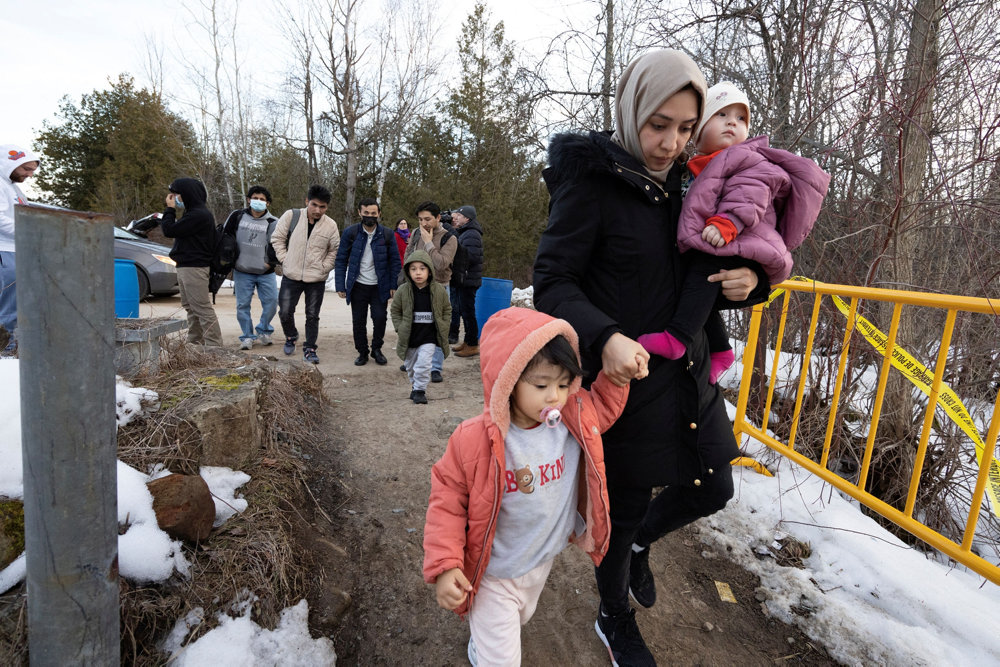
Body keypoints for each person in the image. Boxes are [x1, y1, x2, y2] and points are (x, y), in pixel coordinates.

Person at [532, 49, 770, 665]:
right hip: (625, 384)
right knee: (624, 509)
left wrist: (753, 280)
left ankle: (641, 547)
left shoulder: (696, 183)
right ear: (631, 110)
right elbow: (554, 279)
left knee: (715, 487)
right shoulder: (591, 186)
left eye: (686, 128)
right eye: (658, 124)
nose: (671, 142)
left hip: (688, 374)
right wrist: (603, 337)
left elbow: (726, 251)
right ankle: (614, 616)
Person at [422, 307, 630, 665]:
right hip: (493, 572)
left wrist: (619, 376)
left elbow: (603, 411)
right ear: (509, 380)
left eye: (564, 384)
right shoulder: (476, 440)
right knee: (502, 653)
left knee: (520, 617)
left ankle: (482, 643)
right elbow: (447, 499)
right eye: (541, 385)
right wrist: (444, 564)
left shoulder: (570, 418)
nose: (555, 397)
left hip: (539, 560)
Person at [638, 82, 830, 383]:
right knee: (699, 288)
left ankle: (677, 338)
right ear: (697, 129)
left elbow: (750, 194)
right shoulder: (695, 166)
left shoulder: (747, 158)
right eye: (722, 114)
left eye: (741, 119)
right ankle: (721, 350)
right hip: (724, 237)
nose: (732, 122)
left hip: (738, 235)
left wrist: (727, 223)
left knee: (704, 271)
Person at [271, 185, 340, 364]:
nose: (318, 210)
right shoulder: (291, 216)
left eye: (322, 207)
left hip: (316, 278)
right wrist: (285, 259)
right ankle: (291, 336)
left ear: (327, 207)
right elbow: (277, 238)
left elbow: (335, 250)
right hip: (291, 275)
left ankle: (310, 348)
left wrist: (325, 267)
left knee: (312, 315)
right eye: (314, 205)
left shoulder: (331, 225)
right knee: (285, 312)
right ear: (307, 201)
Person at [335, 197, 401, 366]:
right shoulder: (351, 233)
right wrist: (340, 285)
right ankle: (362, 352)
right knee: (358, 321)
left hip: (380, 286)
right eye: (366, 213)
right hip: (358, 286)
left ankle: (377, 349)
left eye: (373, 213)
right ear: (359, 213)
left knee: (380, 319)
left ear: (379, 214)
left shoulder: (387, 234)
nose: (369, 216)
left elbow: (395, 261)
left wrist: (394, 284)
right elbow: (341, 260)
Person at [400, 201, 457, 383]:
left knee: (438, 328)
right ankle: (413, 358)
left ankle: (435, 368)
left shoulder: (450, 238)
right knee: (414, 325)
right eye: (420, 219)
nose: (424, 223)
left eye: (428, 219)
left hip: (439, 287)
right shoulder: (416, 233)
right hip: (415, 289)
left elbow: (441, 264)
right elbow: (408, 256)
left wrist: (428, 243)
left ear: (438, 218)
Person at [162, 178, 223, 347]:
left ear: (187, 194)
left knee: (202, 308)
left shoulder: (198, 215)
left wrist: (169, 209)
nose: (174, 198)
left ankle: (214, 347)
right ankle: (195, 342)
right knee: (191, 307)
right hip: (186, 266)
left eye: (176, 194)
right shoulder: (192, 213)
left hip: (194, 267)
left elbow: (168, 230)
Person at [222, 185, 280, 350]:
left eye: (262, 199)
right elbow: (226, 237)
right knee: (242, 305)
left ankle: (263, 330)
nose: (258, 202)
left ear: (267, 203)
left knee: (272, 302)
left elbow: (278, 244)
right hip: (242, 271)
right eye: (255, 198)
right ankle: (247, 336)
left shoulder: (273, 222)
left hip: (265, 272)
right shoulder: (237, 216)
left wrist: (270, 263)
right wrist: (229, 261)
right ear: (248, 199)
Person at [390, 250, 450, 404]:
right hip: (410, 337)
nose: (418, 273)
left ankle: (420, 390)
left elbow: (447, 309)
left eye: (422, 269)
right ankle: (415, 385)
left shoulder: (438, 291)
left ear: (429, 271)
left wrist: (443, 325)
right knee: (411, 367)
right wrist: (399, 327)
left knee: (423, 364)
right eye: (413, 269)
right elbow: (395, 310)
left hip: (429, 337)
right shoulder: (403, 291)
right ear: (408, 272)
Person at [0, 145, 40, 355]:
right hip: (5, 252)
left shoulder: (12, 187)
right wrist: (29, 232)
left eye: (32, 170)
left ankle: (12, 349)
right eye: (26, 169)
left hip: (16, 251)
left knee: (17, 306)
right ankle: (5, 354)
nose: (30, 174)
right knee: (7, 307)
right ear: (10, 163)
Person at [448, 205, 484, 358]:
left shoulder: (472, 234)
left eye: (460, 216)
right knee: (465, 311)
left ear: (467, 218)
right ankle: (468, 341)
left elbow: (472, 256)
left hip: (469, 280)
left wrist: (456, 259)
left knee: (468, 313)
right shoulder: (465, 232)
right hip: (466, 279)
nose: (456, 218)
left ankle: (473, 345)